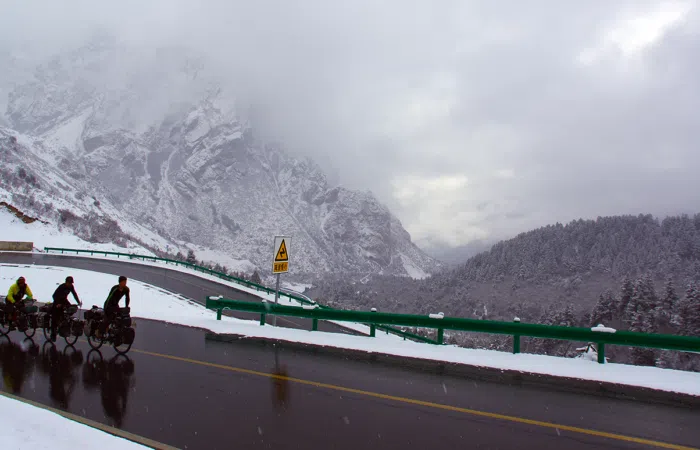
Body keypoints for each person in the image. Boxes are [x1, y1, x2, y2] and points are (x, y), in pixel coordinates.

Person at [49, 276, 82, 342]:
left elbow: (74, 294)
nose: (70, 284)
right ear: (66, 282)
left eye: (71, 283)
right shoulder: (62, 287)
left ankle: (65, 324)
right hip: (57, 301)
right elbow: (54, 295)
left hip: (64, 300)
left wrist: (78, 302)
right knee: (55, 317)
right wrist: (58, 303)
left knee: (70, 309)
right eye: (69, 283)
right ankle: (53, 335)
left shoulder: (71, 287)